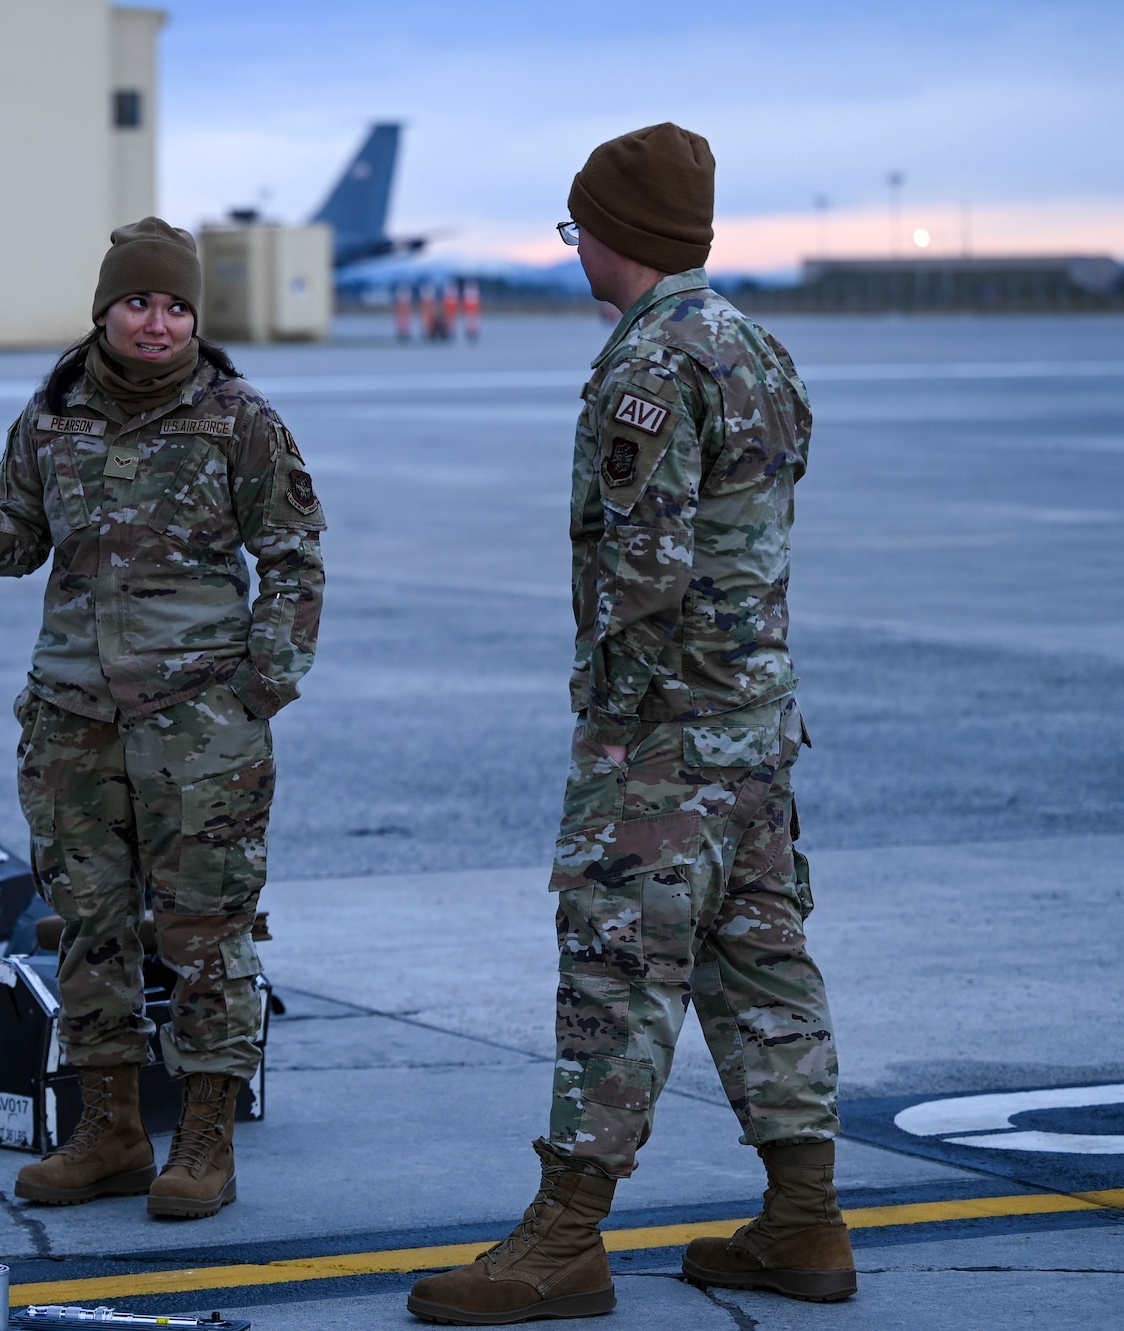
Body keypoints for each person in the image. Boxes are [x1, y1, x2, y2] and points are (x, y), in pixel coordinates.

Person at [407, 124, 851, 1324]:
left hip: (664, 737)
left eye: (576, 228)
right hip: (755, 723)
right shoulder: (756, 346)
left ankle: (563, 1239)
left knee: (613, 969)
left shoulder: (648, 363)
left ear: (617, 234)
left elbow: (640, 570)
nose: (575, 249)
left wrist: (610, 730)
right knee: (759, 958)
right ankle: (803, 1219)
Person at [0, 218, 325, 1219]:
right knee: (87, 926)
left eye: (176, 304)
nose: (157, 320)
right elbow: (21, 537)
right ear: (104, 310)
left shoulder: (239, 419)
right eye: (138, 300)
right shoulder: (52, 414)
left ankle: (205, 1140)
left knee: (204, 932)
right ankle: (109, 1132)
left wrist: (257, 687)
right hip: (71, 717)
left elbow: (296, 560)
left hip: (199, 726)